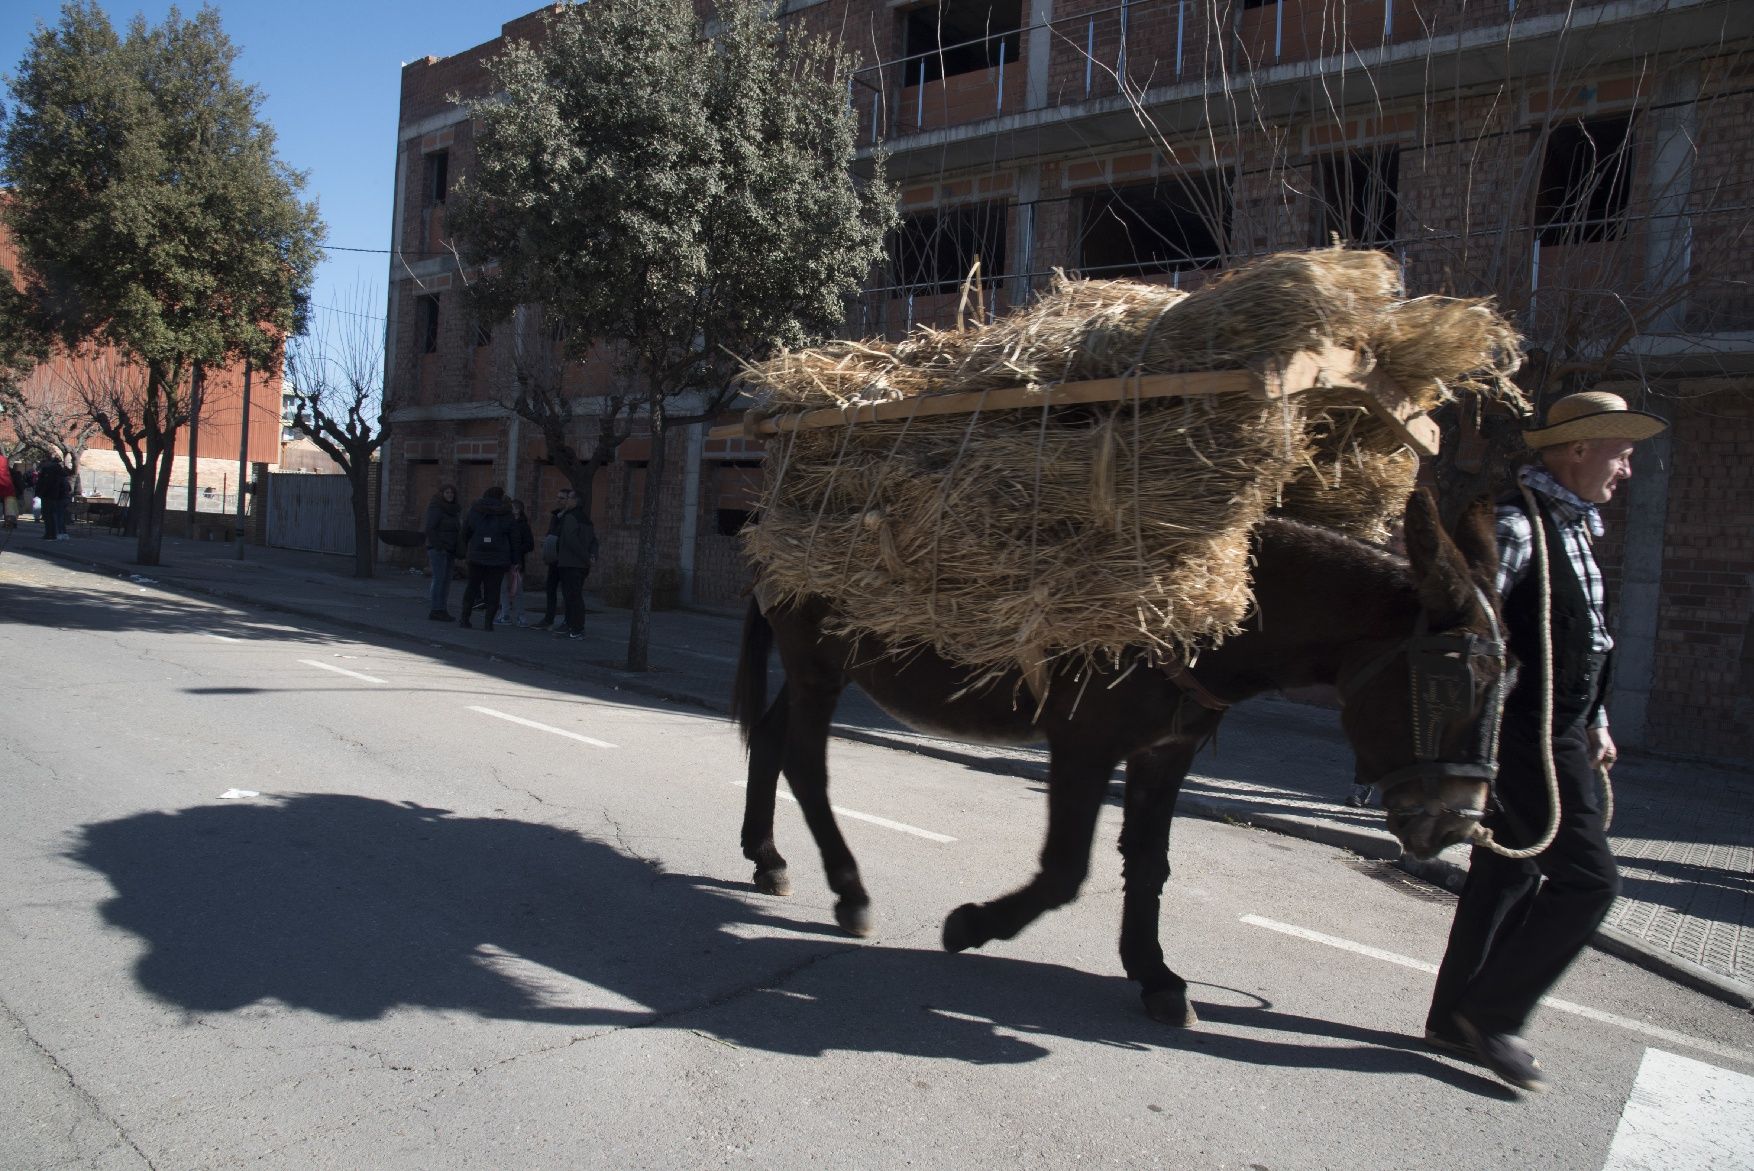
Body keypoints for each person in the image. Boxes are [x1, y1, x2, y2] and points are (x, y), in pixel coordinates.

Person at [1424, 391, 1667, 1093]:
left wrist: (1595, 721)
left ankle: (1453, 1018)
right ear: (1579, 449)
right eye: (1622, 454)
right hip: (1525, 736)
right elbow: (1467, 629)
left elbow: (1583, 641)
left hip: (1560, 730)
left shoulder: (1572, 527)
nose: (1627, 470)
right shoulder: (1518, 525)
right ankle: (1492, 1016)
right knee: (1590, 882)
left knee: (1507, 875)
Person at [458, 485, 515, 631]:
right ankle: (488, 623)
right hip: (498, 558)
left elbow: (465, 531)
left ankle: (465, 619)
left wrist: (464, 551)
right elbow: (513, 537)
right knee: (493, 590)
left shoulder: (475, 509)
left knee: (472, 587)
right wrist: (515, 559)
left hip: (476, 555)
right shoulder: (506, 512)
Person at [553, 489, 599, 641]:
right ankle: (572, 626)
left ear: (575, 501)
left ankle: (577, 628)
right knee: (574, 596)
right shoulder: (586, 519)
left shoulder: (570, 517)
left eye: (569, 498)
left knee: (573, 597)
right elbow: (594, 541)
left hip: (570, 563)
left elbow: (571, 541)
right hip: (581, 565)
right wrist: (592, 556)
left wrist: (586, 557)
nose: (566, 501)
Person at [533, 486, 574, 630]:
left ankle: (568, 621)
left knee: (567, 591)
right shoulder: (556, 516)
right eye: (558, 497)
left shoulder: (571, 517)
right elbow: (551, 532)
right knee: (550, 588)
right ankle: (548, 619)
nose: (558, 500)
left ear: (569, 500)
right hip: (553, 558)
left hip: (566, 559)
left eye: (562, 498)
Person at [422, 485, 462, 620]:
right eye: (447, 492)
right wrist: (439, 546)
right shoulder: (436, 508)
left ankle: (442, 609)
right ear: (442, 494)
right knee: (439, 579)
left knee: (447, 580)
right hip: (438, 549)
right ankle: (436, 609)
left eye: (452, 493)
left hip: (450, 549)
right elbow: (430, 528)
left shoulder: (454, 510)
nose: (450, 495)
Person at [498, 498, 536, 626]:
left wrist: (516, 549)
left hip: (516, 561)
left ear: (518, 510)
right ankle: (505, 614)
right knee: (503, 588)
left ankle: (520, 616)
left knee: (517, 589)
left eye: (512, 508)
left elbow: (529, 544)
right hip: (505, 560)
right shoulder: (506, 523)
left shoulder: (523, 526)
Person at [35, 457, 68, 540]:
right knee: (54, 515)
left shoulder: (48, 470)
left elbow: (45, 483)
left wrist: (40, 492)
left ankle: (50, 534)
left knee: (48, 515)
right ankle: (55, 533)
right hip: (56, 496)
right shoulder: (59, 471)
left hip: (49, 495)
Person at [0, 450, 17, 530]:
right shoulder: (4, 460)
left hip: (2, 485)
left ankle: (9, 522)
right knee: (9, 506)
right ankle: (10, 522)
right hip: (7, 486)